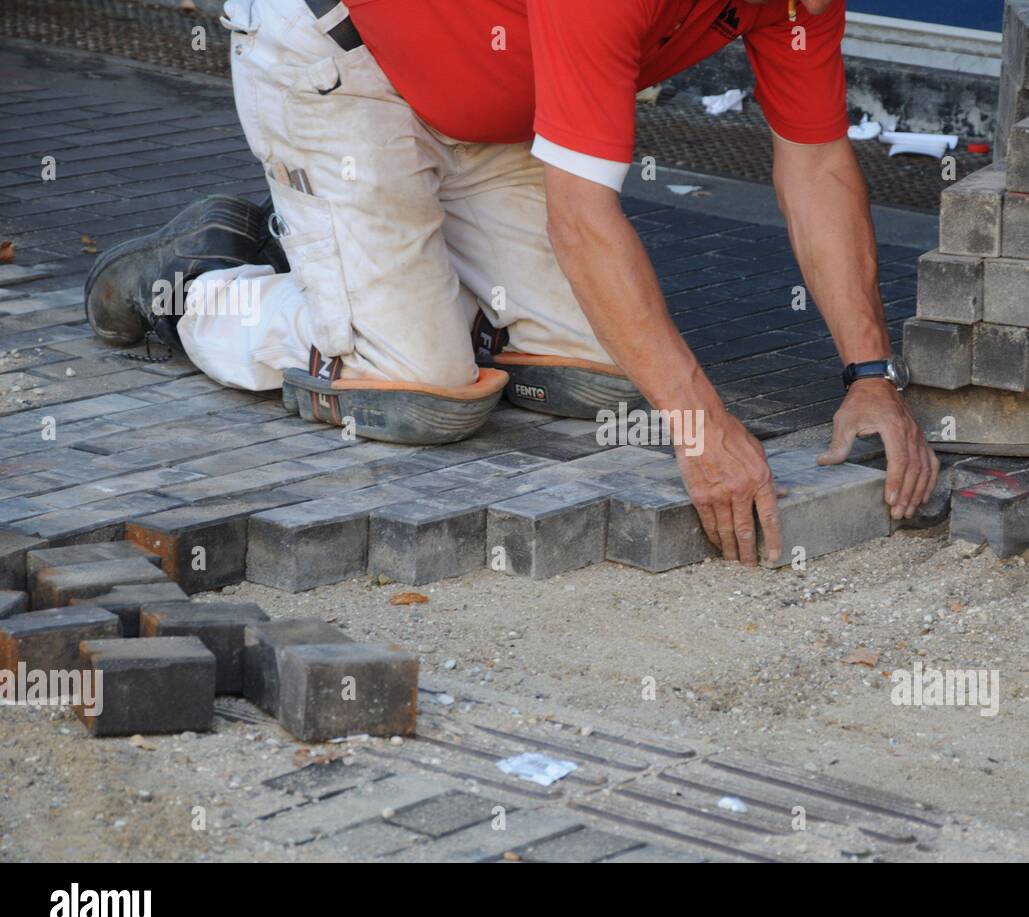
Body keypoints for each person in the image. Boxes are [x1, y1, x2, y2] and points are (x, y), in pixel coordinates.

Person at [85, 0, 938, 566]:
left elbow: (818, 159)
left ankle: (350, 252)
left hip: (485, 104)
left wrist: (870, 377)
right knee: (420, 391)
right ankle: (202, 277)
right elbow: (581, 217)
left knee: (601, 369)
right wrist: (700, 423)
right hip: (336, 57)